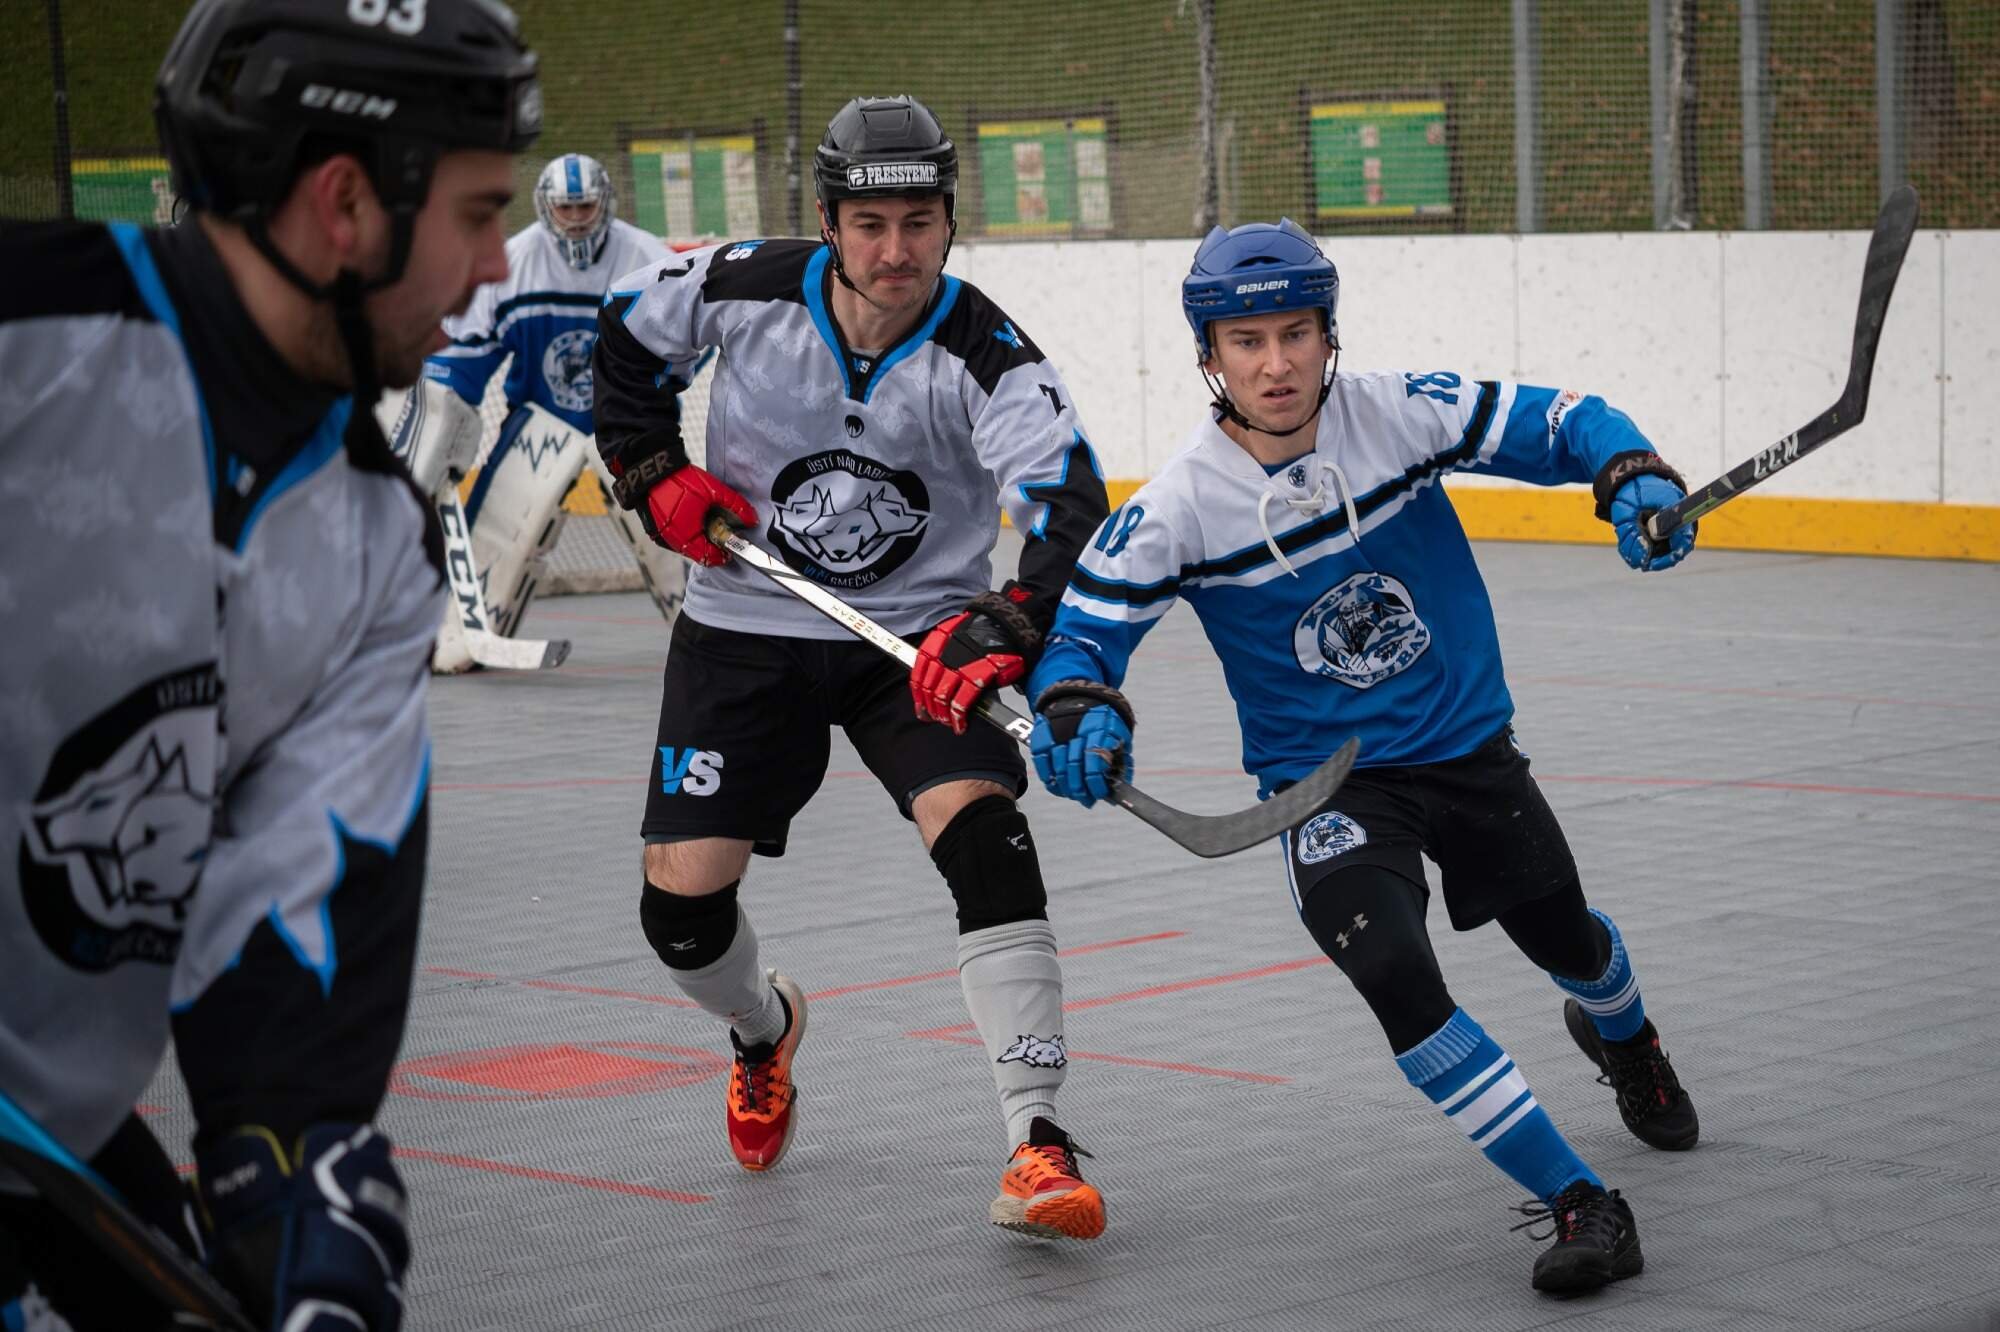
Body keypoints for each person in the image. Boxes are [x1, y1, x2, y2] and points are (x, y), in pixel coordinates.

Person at [1023, 219, 1701, 1294]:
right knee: (1392, 972)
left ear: (1327, 334)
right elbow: (1079, 641)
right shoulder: (1177, 506)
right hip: (1325, 792)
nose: (1275, 364)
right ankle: (1583, 1201)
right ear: (1209, 355)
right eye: (1246, 342)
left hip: (1467, 754)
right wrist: (1075, 709)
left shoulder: (1399, 412)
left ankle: (1626, 1040)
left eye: (1295, 333)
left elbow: (1565, 420)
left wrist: (1628, 471)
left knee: (1567, 943)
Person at [0, 0, 540, 1326]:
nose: (494, 267)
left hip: (43, 1146)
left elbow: (291, 945)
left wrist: (297, 1197)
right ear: (345, 203)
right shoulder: (27, 340)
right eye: (478, 214)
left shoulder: (376, 551)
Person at [591, 94, 1113, 1240]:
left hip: (914, 649)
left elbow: (1066, 502)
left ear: (948, 221)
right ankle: (762, 1031)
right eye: (869, 225)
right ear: (828, 221)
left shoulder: (987, 354)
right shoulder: (744, 287)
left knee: (984, 835)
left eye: (919, 223)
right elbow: (623, 339)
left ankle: (1035, 1137)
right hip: (746, 625)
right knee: (681, 913)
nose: (895, 251)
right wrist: (647, 466)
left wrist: (1004, 621)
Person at [413, 152, 688, 652]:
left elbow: (688, 341)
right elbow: (464, 352)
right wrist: (441, 418)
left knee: (669, 530)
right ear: (546, 207)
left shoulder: (649, 257)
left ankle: (707, 637)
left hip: (628, 420)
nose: (577, 219)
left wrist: (650, 401)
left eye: (585, 207)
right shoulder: (513, 262)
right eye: (566, 208)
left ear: (605, 203)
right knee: (500, 526)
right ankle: (461, 634)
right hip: (541, 414)